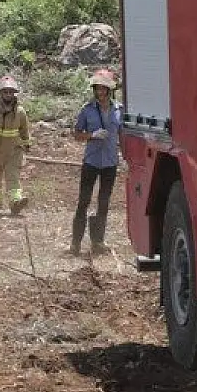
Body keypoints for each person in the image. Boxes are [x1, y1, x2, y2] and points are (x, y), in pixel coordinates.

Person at [70, 69, 123, 255]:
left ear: (110, 90)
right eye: (97, 89)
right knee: (83, 201)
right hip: (91, 161)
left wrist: (125, 156)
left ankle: (98, 241)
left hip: (110, 162)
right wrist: (91, 135)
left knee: (104, 202)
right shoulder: (87, 110)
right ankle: (75, 242)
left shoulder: (119, 110)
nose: (100, 92)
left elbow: (123, 135)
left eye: (103, 89)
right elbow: (76, 134)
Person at [0, 75, 32, 217]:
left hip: (13, 151)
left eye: (10, 92)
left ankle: (16, 202)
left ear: (14, 93)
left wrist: (26, 144)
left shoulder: (20, 112)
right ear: (0, 93)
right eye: (5, 92)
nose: (8, 94)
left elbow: (24, 130)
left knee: (12, 177)